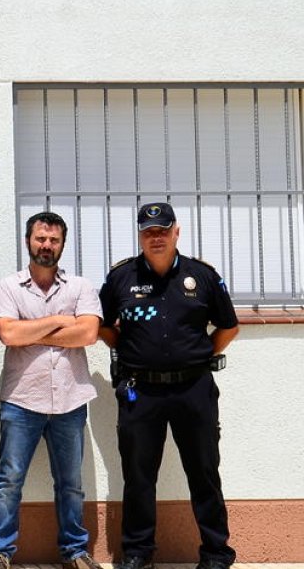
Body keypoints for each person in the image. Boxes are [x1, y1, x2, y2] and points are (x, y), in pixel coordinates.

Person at [100, 202, 239, 569]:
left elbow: (229, 325)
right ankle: (138, 553)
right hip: (140, 391)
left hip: (194, 390)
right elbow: (102, 326)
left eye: (163, 230)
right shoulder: (120, 278)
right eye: (148, 232)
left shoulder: (203, 276)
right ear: (140, 235)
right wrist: (129, 349)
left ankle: (216, 552)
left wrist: (198, 356)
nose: (156, 237)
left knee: (204, 471)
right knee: (139, 475)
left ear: (176, 231)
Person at [0, 212, 103, 569]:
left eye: (53, 240)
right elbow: (8, 334)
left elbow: (87, 334)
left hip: (70, 398)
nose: (46, 246)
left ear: (62, 245)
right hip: (22, 400)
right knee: (9, 480)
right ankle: (2, 552)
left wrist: (31, 330)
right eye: (40, 239)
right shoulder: (9, 287)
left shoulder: (80, 287)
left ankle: (75, 551)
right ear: (28, 241)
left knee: (71, 483)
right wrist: (58, 321)